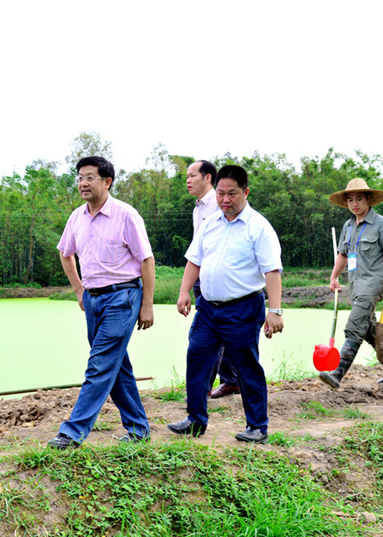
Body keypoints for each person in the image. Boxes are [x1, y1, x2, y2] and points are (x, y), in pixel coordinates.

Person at [170, 164, 283, 444]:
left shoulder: (259, 227)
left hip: (242, 308)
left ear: (245, 192)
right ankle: (195, 419)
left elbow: (272, 271)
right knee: (197, 357)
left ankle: (257, 426)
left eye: (232, 193)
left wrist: (275, 311)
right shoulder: (210, 223)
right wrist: (184, 292)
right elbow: (194, 260)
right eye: (221, 193)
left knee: (246, 366)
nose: (225, 200)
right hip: (208, 308)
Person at [48, 156, 155, 449]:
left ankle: (72, 433)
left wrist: (147, 304)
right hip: (92, 300)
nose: (83, 183)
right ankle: (138, 429)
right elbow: (65, 253)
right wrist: (78, 290)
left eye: (90, 178)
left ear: (107, 182)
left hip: (123, 297)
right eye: (80, 178)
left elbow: (146, 260)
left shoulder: (126, 215)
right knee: (115, 366)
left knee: (99, 365)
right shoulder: (77, 217)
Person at [319, 178, 383, 389]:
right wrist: (334, 277)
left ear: (368, 200)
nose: (354, 204)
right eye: (350, 200)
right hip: (355, 285)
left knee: (354, 326)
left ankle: (337, 373)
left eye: (359, 199)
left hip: (372, 285)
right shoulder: (348, 226)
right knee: (367, 329)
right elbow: (343, 254)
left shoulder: (382, 224)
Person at [186, 160, 240, 399]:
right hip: (202, 275)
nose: (188, 181)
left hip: (222, 279)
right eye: (187, 177)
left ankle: (204, 388)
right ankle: (232, 380)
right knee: (216, 331)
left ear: (208, 177)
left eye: (192, 176)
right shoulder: (198, 208)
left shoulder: (219, 206)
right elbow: (197, 251)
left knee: (212, 334)